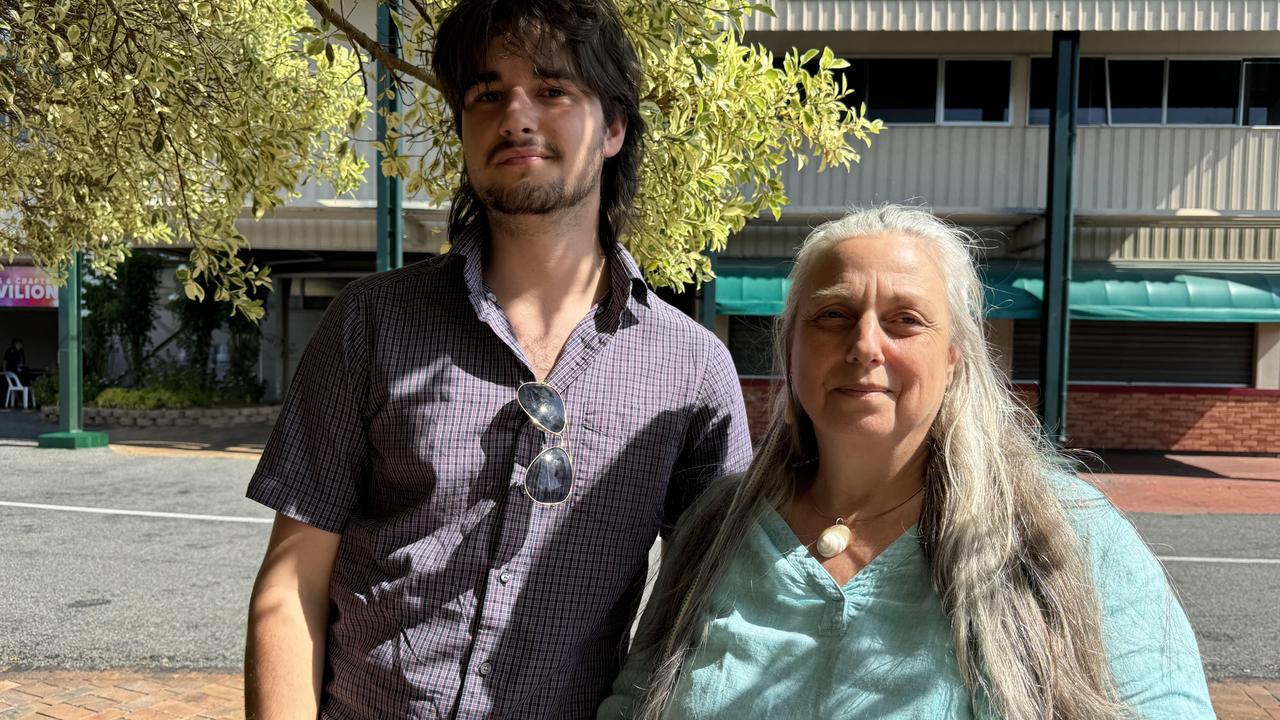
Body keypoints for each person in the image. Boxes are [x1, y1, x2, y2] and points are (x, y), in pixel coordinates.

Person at [242, 0, 751, 718]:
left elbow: (715, 618)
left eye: (551, 90)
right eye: (487, 95)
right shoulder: (370, 322)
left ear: (612, 128)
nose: (515, 116)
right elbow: (292, 580)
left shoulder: (693, 370)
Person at [601, 205, 1213, 720]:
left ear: (953, 359)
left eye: (905, 320)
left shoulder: (1067, 530)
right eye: (834, 315)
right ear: (791, 347)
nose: (865, 345)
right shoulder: (718, 526)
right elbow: (631, 704)